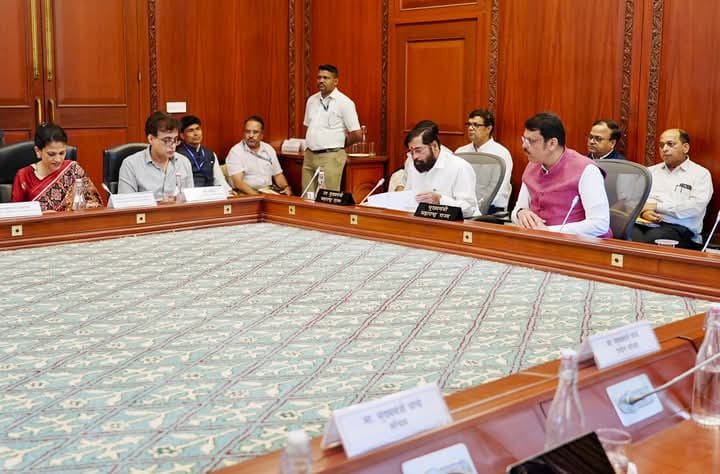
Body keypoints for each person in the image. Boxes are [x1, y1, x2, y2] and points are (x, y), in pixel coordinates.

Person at [511, 112, 611, 238]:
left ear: (552, 143)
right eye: (524, 139)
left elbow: (600, 224)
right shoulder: (532, 165)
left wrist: (549, 231)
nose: (524, 146)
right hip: (538, 240)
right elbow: (516, 210)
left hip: (577, 244)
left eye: (531, 141)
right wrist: (520, 213)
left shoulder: (587, 170)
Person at [632, 128, 713, 249]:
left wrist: (656, 206)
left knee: (649, 241)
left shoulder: (700, 174)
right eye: (661, 145)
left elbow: (694, 208)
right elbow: (635, 200)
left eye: (670, 144)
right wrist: (644, 212)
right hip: (646, 223)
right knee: (625, 234)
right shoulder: (650, 172)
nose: (664, 149)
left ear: (685, 147)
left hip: (680, 229)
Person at [11, 123, 102, 210]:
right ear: (38, 151)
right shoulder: (24, 176)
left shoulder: (73, 169)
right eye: (51, 154)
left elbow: (95, 204)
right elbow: (16, 214)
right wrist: (44, 215)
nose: (58, 159)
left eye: (62, 153)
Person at [302, 64, 362, 192]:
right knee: (307, 196)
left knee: (327, 196)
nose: (321, 81)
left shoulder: (344, 102)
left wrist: (340, 145)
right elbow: (307, 127)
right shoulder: (311, 100)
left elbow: (357, 134)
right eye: (319, 77)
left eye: (326, 78)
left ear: (335, 81)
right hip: (309, 155)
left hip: (331, 156)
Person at [403, 125, 479, 218]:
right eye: (411, 152)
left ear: (434, 146)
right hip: (422, 220)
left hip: (457, 222)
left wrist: (440, 200)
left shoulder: (459, 167)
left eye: (418, 150)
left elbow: (469, 209)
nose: (415, 156)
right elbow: (408, 199)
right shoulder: (414, 165)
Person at [118, 112, 194, 199]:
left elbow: (190, 200)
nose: (173, 145)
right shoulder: (130, 165)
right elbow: (126, 203)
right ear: (151, 139)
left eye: (175, 139)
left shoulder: (183, 162)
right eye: (167, 140)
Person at [455, 109, 513, 212]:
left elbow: (500, 189)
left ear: (488, 129)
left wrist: (478, 207)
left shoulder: (501, 153)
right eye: (469, 124)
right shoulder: (461, 152)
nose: (470, 128)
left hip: (491, 207)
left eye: (476, 125)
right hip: (464, 205)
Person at [225, 115, 292, 195]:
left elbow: (278, 175)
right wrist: (258, 197)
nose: (251, 135)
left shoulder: (268, 149)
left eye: (255, 132)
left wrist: (286, 187)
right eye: (247, 131)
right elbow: (238, 183)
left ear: (262, 135)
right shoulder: (236, 152)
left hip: (267, 191)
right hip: (245, 193)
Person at [177, 115, 232, 194]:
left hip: (211, 194)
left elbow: (219, 179)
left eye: (198, 129)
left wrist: (228, 191)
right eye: (191, 130)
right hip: (190, 195)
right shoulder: (178, 156)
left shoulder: (210, 154)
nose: (196, 133)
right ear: (182, 135)